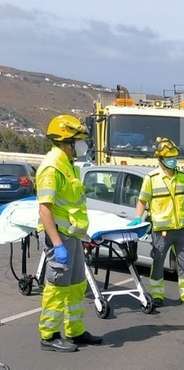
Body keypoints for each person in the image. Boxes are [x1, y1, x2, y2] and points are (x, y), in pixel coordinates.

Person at [37, 114, 102, 352]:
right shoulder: (51, 167)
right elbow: (45, 209)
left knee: (76, 285)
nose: (81, 146)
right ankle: (49, 335)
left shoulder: (68, 165)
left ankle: (74, 332)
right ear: (66, 142)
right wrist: (57, 244)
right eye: (77, 141)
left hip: (72, 236)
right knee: (57, 288)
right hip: (60, 238)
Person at [129, 137, 184, 308]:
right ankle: (157, 295)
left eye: (175, 157)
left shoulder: (183, 177)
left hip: (181, 229)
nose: (173, 160)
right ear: (160, 159)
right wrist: (138, 219)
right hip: (161, 231)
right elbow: (142, 201)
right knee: (158, 263)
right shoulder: (151, 178)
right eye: (169, 158)